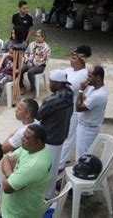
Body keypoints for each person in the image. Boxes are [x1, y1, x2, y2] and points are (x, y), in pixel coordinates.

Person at [36, 69, 74, 200]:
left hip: (50, 138)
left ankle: (46, 197)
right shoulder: (70, 93)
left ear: (58, 84)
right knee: (53, 168)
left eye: (51, 82)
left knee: (46, 169)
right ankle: (50, 192)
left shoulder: (52, 100)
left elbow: (38, 115)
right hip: (61, 136)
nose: (49, 85)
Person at [1, 124, 51, 218]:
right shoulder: (29, 147)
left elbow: (7, 188)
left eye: (27, 138)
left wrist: (9, 175)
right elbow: (5, 160)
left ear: (38, 142)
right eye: (23, 135)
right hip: (16, 208)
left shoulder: (34, 165)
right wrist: (11, 175)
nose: (22, 139)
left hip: (19, 214)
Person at [59, 45, 92, 171]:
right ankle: (60, 159)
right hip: (63, 108)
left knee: (68, 137)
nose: (71, 60)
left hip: (73, 110)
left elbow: (66, 88)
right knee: (62, 135)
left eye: (74, 58)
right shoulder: (69, 69)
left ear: (81, 60)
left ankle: (60, 164)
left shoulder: (83, 75)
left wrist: (60, 83)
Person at [75, 66, 108, 161]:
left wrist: (81, 90)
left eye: (89, 76)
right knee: (82, 153)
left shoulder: (98, 95)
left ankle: (81, 173)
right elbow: (83, 100)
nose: (87, 79)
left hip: (87, 129)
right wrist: (82, 96)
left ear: (98, 78)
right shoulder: (94, 88)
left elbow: (79, 107)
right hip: (85, 126)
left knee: (82, 156)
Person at [19, 29, 50, 97]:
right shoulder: (31, 44)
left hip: (39, 66)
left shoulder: (46, 47)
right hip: (28, 63)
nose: (36, 37)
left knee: (30, 72)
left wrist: (33, 64)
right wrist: (28, 61)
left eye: (38, 36)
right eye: (36, 36)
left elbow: (44, 60)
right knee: (20, 69)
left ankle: (33, 89)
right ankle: (21, 86)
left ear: (43, 37)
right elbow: (26, 53)